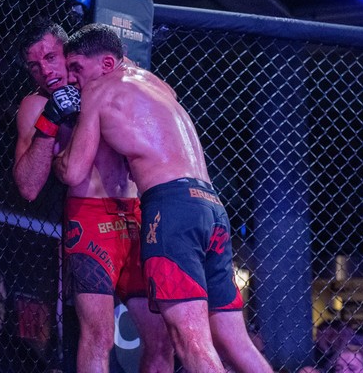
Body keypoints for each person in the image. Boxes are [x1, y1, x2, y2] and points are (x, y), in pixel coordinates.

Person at [53, 23, 274, 373]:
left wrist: (56, 147)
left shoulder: (98, 89)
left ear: (107, 64)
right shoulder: (157, 84)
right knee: (235, 341)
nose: (72, 78)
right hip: (211, 206)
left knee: (191, 342)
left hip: (171, 211)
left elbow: (73, 172)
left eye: (77, 67)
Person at [12, 18, 173, 373]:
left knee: (161, 339)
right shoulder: (35, 106)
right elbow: (28, 186)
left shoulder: (106, 82)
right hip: (88, 215)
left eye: (50, 58)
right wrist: (51, 119)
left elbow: (162, 103)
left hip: (137, 215)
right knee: (99, 335)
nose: (46, 71)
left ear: (68, 53)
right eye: (34, 66)